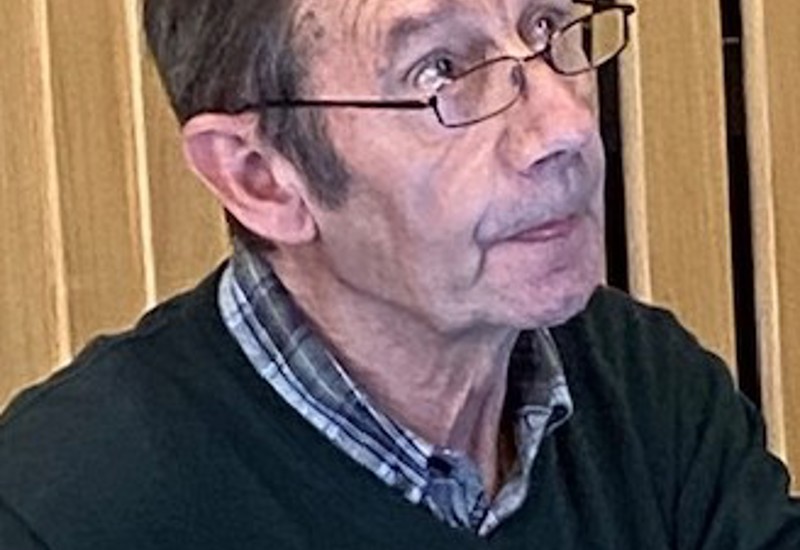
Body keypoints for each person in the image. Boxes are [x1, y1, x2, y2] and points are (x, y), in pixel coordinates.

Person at [1, 0, 798, 547]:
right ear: (261, 177)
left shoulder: (645, 384)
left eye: (547, 23)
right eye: (441, 70)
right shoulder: (65, 511)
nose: (565, 124)